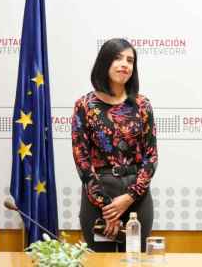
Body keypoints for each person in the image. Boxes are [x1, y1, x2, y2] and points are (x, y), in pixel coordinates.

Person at [72, 38, 157, 252]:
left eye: (130, 60)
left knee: (136, 261)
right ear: (104, 63)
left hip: (136, 195)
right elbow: (81, 159)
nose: (124, 64)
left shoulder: (142, 105)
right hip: (98, 195)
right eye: (118, 58)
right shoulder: (84, 105)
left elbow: (151, 158)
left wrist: (128, 198)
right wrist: (107, 207)